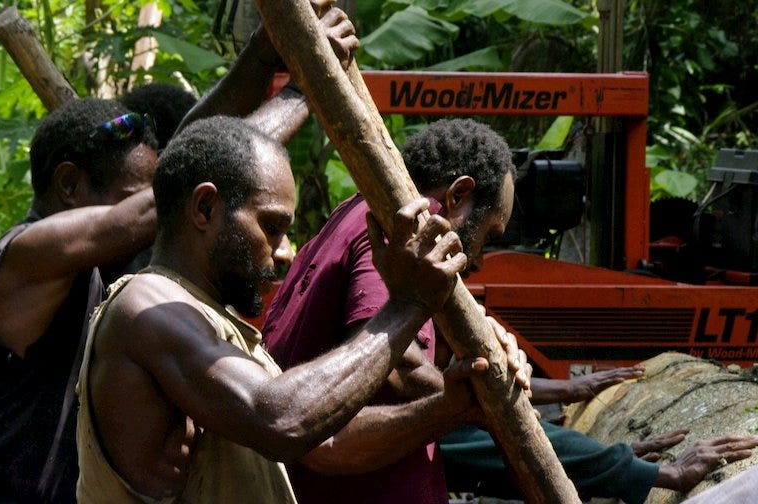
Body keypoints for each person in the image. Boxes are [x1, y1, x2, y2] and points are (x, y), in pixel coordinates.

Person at [0, 3, 357, 502]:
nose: (162, 211)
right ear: (69, 185)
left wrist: (265, 52)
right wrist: (307, 88)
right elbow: (170, 196)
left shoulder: (108, 278)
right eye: (139, 196)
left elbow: (190, 155)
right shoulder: (25, 255)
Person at [261, 117, 758, 504]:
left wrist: (588, 441)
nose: (477, 260)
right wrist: (632, 469)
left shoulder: (354, 211)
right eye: (488, 237)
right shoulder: (408, 228)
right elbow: (406, 376)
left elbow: (430, 392)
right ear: (457, 196)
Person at [74, 115, 529, 503]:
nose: (285, 252)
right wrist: (408, 305)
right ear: (205, 208)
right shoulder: (148, 307)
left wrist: (453, 406)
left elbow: (326, 443)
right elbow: (281, 421)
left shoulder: (214, 324)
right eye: (270, 226)